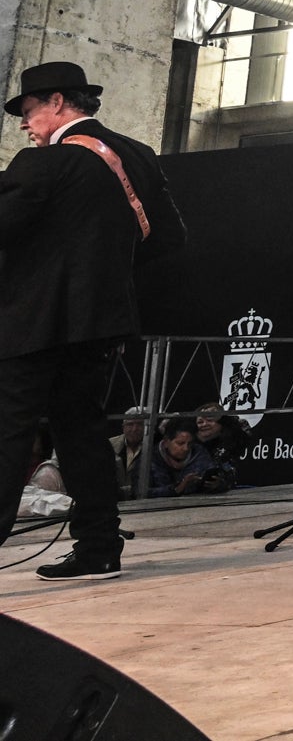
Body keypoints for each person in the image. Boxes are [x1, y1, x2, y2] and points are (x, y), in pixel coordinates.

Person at [0, 61, 185, 580]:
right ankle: (100, 547)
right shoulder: (140, 156)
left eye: (29, 110)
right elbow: (171, 240)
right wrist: (99, 278)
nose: (24, 123)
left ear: (58, 103)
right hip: (101, 324)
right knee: (81, 432)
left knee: (9, 432)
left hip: (34, 323)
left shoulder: (44, 163)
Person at [146, 418, 212, 498]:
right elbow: (141, 492)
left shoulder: (199, 453)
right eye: (180, 443)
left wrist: (216, 484)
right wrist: (177, 488)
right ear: (166, 442)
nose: (186, 448)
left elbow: (217, 476)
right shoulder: (149, 459)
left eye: (190, 444)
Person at [193, 402, 250, 493]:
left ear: (222, 422)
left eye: (210, 420)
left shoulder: (232, 439)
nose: (204, 424)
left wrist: (221, 483)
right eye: (200, 422)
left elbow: (242, 426)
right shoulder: (190, 444)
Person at [111, 406, 149, 499]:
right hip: (114, 500)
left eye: (139, 424)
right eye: (130, 424)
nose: (134, 429)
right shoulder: (109, 445)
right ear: (123, 427)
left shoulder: (154, 447)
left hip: (143, 500)